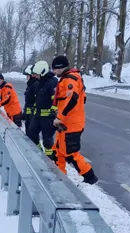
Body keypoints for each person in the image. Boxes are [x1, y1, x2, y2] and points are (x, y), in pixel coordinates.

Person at [49, 56, 98, 184]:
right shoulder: (69, 78)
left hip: (70, 124)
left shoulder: (70, 79)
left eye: (54, 69)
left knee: (70, 153)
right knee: (57, 151)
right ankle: (60, 176)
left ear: (60, 67)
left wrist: (60, 116)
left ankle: (89, 177)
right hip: (66, 123)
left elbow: (73, 98)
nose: (53, 72)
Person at [27, 60, 58, 158]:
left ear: (43, 72)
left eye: (37, 74)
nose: (35, 76)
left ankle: (50, 160)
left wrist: (55, 114)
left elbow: (56, 100)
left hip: (48, 117)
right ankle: (39, 153)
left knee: (47, 140)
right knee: (31, 134)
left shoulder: (52, 83)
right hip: (37, 115)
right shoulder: (39, 83)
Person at [23, 65, 39, 136]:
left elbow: (35, 100)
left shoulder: (35, 85)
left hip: (32, 114)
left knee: (31, 134)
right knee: (29, 133)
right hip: (29, 113)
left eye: (27, 76)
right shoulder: (30, 85)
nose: (26, 78)